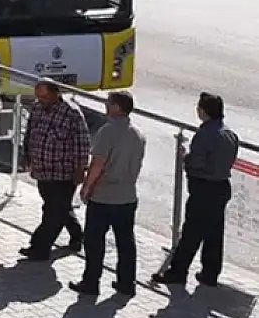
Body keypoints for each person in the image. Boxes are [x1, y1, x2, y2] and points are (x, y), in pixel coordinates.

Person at [155, 92, 239, 288]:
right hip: (221, 186)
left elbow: (197, 163)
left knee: (191, 231)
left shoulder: (204, 135)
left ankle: (177, 271)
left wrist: (186, 158)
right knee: (214, 233)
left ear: (203, 111)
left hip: (204, 188)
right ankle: (210, 273)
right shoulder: (230, 135)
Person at [72, 90, 145, 297]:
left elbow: (97, 164)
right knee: (126, 242)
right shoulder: (137, 133)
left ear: (116, 108)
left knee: (94, 242)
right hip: (127, 196)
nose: (105, 106)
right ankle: (126, 283)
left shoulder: (107, 132)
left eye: (108, 103)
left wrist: (86, 188)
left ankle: (91, 283)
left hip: (104, 196)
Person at [19, 79, 90, 261]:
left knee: (53, 212)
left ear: (55, 93)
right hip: (42, 171)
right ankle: (77, 236)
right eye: (38, 96)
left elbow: (82, 143)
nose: (40, 99)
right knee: (57, 208)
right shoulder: (36, 109)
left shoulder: (71, 113)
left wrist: (80, 169)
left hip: (63, 173)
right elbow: (29, 133)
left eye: (44, 96)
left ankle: (39, 247)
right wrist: (26, 155)